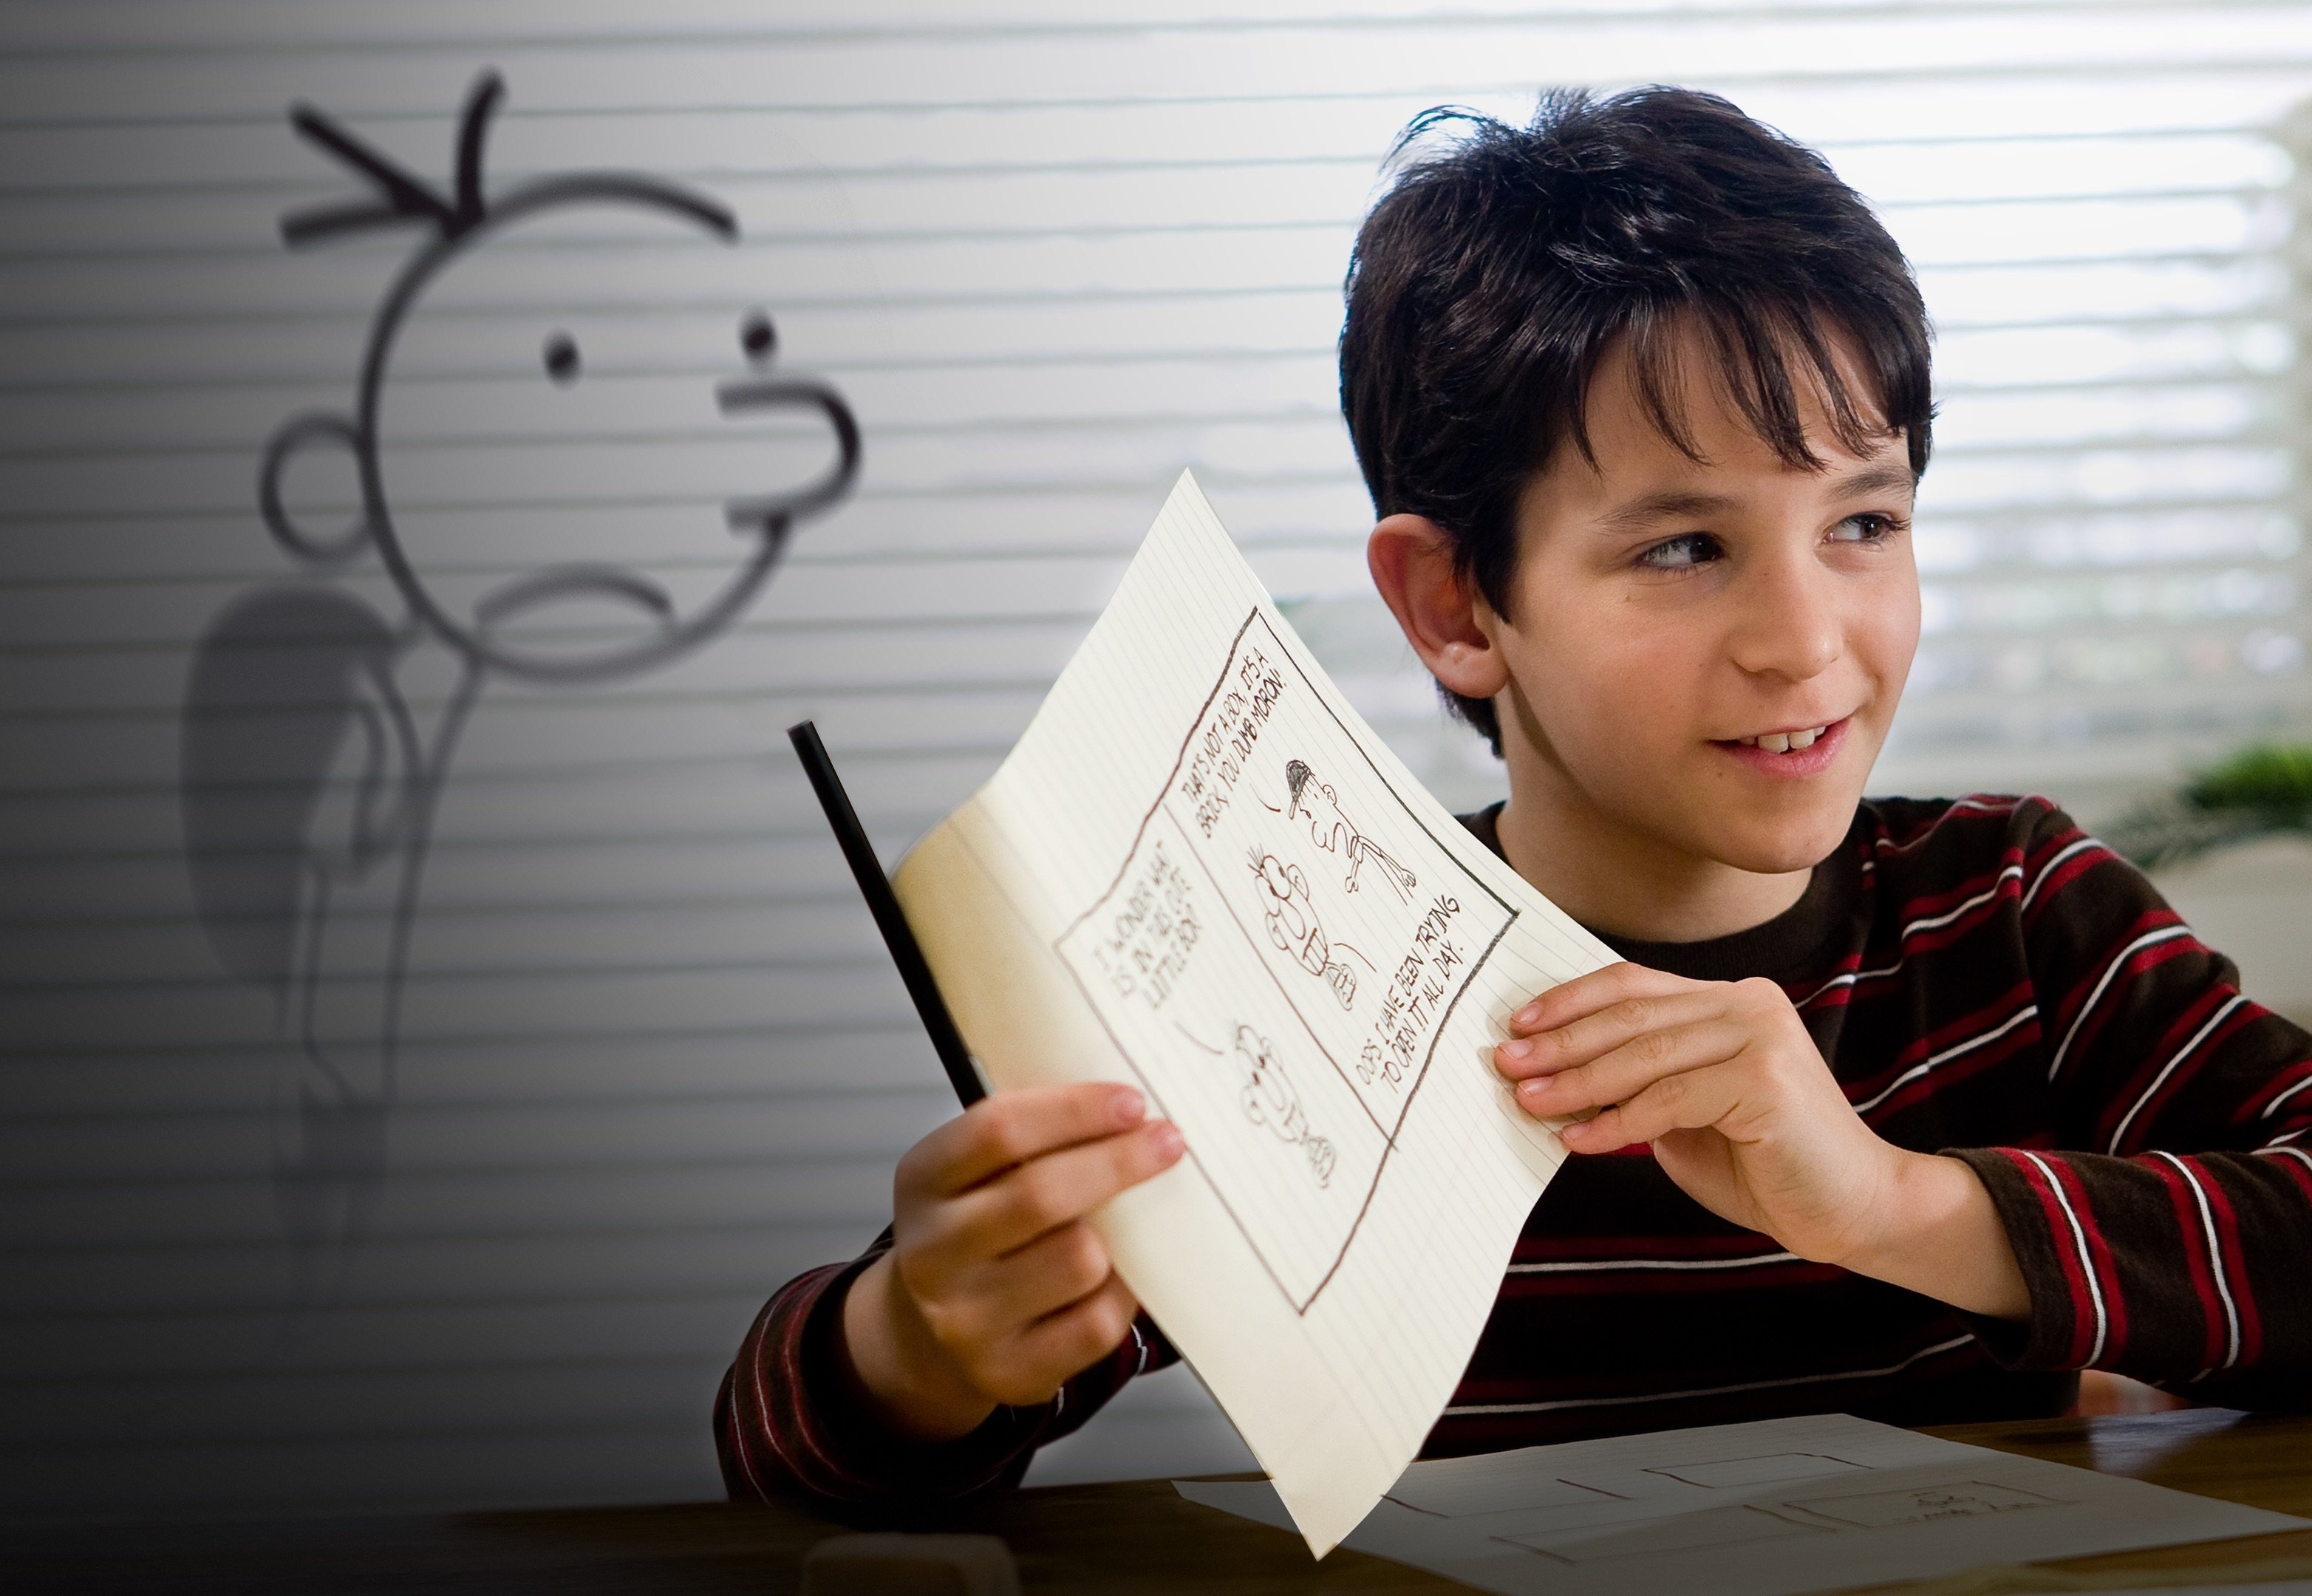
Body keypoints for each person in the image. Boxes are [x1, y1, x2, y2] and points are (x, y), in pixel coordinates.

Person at [715, 86, 2312, 1514]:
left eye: (1865, 523)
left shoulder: (2015, 911)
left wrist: (1894, 1203)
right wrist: (917, 1342)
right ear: (1456, 606)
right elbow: (793, 1452)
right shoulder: (1318, 987)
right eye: (1683, 548)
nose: (1807, 642)